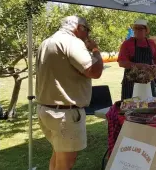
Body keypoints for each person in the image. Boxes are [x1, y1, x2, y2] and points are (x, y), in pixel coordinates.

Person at [35, 16, 103, 170]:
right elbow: (94, 71)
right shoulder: (72, 42)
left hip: (46, 110)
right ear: (79, 28)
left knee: (58, 156)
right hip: (65, 115)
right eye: (87, 30)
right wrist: (95, 50)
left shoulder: (46, 42)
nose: (88, 36)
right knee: (66, 163)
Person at [118, 19, 156, 100]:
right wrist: (140, 66)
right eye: (135, 28)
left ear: (146, 30)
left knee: (149, 105)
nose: (137, 31)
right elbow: (121, 63)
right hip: (131, 82)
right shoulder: (127, 44)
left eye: (140, 29)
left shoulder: (151, 43)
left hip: (147, 81)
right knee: (130, 109)